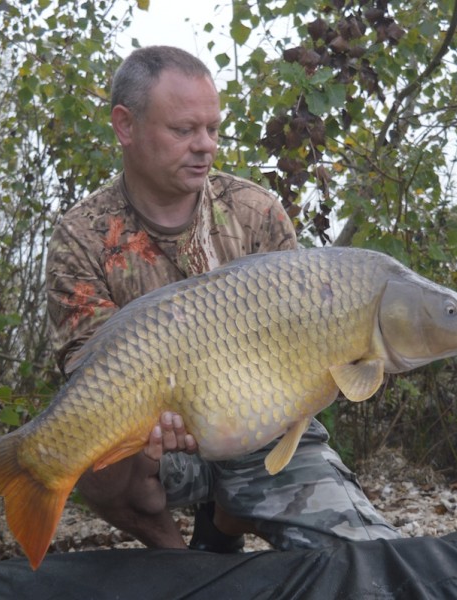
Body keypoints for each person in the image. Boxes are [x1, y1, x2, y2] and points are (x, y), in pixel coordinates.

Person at [45, 45, 400, 553]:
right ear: (125, 126)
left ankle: (222, 533)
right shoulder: (81, 236)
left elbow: (313, 342)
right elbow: (89, 368)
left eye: (212, 128)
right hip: (153, 441)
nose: (205, 146)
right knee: (94, 460)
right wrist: (154, 411)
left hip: (261, 428)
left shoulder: (256, 212)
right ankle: (179, 567)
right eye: (184, 130)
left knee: (367, 555)